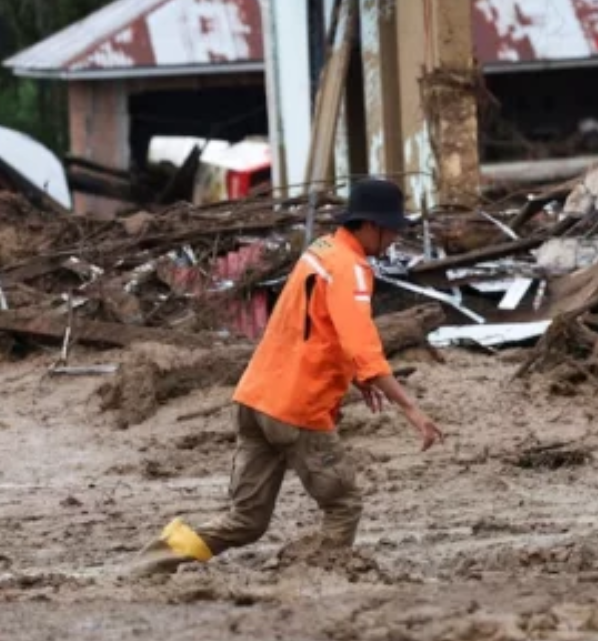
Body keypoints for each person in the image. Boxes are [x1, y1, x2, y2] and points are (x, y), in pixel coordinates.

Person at [131, 178, 443, 575]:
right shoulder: (351, 269)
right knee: (344, 506)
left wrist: (355, 377)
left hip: (256, 397)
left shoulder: (320, 251)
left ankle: (152, 563)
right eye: (393, 227)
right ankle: (313, 578)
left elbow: (317, 327)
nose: (396, 236)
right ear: (369, 225)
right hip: (298, 407)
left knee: (246, 521)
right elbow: (363, 346)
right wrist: (412, 410)